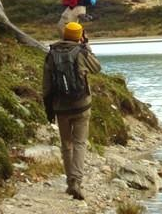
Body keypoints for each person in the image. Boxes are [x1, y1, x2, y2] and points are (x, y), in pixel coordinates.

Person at [43, 21, 101, 200]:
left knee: (66, 144)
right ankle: (77, 180)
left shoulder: (51, 54)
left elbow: (46, 86)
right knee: (80, 143)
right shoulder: (82, 52)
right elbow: (97, 68)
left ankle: (70, 182)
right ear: (80, 36)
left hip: (60, 107)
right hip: (82, 105)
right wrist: (86, 47)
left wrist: (49, 109)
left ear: (64, 35)